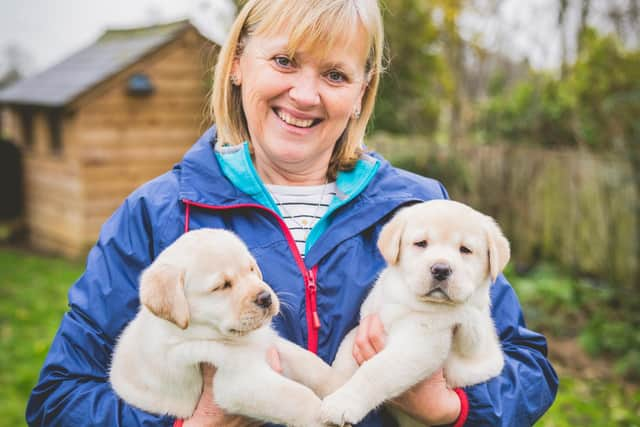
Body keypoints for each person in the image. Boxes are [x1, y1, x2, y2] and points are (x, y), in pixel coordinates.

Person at [26, 0, 558, 426]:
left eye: (334, 74)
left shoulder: (419, 212)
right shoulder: (157, 215)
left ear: (361, 92)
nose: (304, 95)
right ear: (236, 65)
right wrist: (189, 423)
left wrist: (450, 409)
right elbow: (57, 400)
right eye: (283, 61)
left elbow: (530, 369)